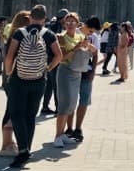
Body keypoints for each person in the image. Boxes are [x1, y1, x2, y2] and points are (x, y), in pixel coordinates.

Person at [4, 5, 62, 168]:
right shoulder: (49, 34)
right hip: (38, 79)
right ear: (44, 19)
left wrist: (9, 73)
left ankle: (23, 150)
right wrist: (47, 69)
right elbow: (59, 56)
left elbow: (9, 56)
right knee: (30, 116)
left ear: (30, 17)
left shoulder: (19, 33)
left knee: (16, 114)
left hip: (18, 78)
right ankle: (26, 148)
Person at [54, 12, 96, 147]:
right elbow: (62, 57)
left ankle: (63, 135)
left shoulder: (81, 36)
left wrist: (88, 46)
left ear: (78, 24)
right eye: (68, 21)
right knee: (64, 105)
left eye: (73, 22)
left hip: (77, 73)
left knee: (72, 105)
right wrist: (76, 48)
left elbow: (94, 51)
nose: (70, 24)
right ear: (64, 24)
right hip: (65, 72)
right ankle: (57, 137)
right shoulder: (60, 37)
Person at [0, 10, 30, 157]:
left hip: (11, 78)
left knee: (12, 109)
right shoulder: (17, 38)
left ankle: (9, 143)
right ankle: (6, 145)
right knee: (12, 111)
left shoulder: (14, 36)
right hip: (14, 79)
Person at [66, 16, 100, 142]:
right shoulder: (73, 32)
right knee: (71, 101)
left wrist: (93, 72)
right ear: (85, 26)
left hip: (87, 71)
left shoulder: (94, 37)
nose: (92, 34)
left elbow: (95, 55)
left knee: (84, 100)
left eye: (93, 32)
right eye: (90, 31)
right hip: (73, 70)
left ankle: (78, 128)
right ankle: (69, 128)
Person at [41, 8, 68, 114]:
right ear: (62, 19)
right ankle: (58, 108)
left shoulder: (51, 26)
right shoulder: (57, 28)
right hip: (54, 58)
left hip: (49, 57)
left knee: (50, 84)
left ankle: (45, 107)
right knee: (57, 84)